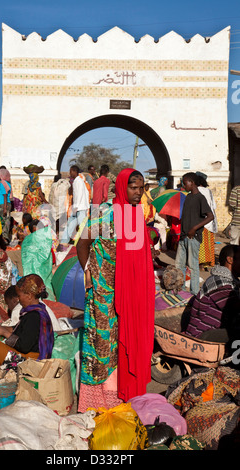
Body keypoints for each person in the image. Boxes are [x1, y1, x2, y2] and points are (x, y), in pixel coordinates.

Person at [76, 168, 155, 412]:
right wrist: (87, 269)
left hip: (129, 293)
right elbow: (83, 243)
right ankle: (99, 402)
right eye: (133, 187)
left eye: (141, 188)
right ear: (122, 187)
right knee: (102, 344)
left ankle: (123, 394)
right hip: (103, 292)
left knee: (124, 340)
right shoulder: (106, 214)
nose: (138, 193)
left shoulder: (135, 214)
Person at [0, 274, 54, 374]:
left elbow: (24, 346)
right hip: (28, 358)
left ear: (29, 296)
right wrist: (4, 328)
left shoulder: (34, 316)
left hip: (28, 364)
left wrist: (5, 333)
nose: (18, 299)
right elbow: (22, 330)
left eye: (19, 296)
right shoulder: (38, 310)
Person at [183, 245, 240, 343]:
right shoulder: (220, 283)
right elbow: (236, 307)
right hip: (202, 335)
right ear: (230, 260)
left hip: (215, 331)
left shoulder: (230, 281)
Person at [175, 172, 214, 295]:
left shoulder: (200, 198)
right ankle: (181, 290)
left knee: (193, 266)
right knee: (179, 265)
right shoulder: (188, 197)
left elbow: (210, 216)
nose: (183, 185)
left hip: (193, 237)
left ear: (192, 183)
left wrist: (194, 228)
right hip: (183, 236)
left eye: (184, 182)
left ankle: (194, 292)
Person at [60, 165, 90, 244]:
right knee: (71, 225)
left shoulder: (79, 181)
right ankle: (63, 241)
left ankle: (85, 244)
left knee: (82, 227)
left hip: (80, 208)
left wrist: (76, 206)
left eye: (70, 172)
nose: (70, 174)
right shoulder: (77, 181)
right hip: (78, 208)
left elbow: (79, 195)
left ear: (74, 171)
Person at [196, 172, 218, 268]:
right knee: (208, 242)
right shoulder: (208, 191)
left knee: (200, 243)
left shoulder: (195, 191)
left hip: (199, 221)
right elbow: (214, 206)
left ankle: (200, 262)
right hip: (210, 222)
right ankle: (208, 262)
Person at [0, 167, 13, 246]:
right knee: (7, 220)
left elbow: (5, 195)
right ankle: (5, 237)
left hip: (3, 204)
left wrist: (4, 208)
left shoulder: (3, 183)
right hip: (7, 204)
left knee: (3, 221)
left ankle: (4, 238)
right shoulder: (8, 183)